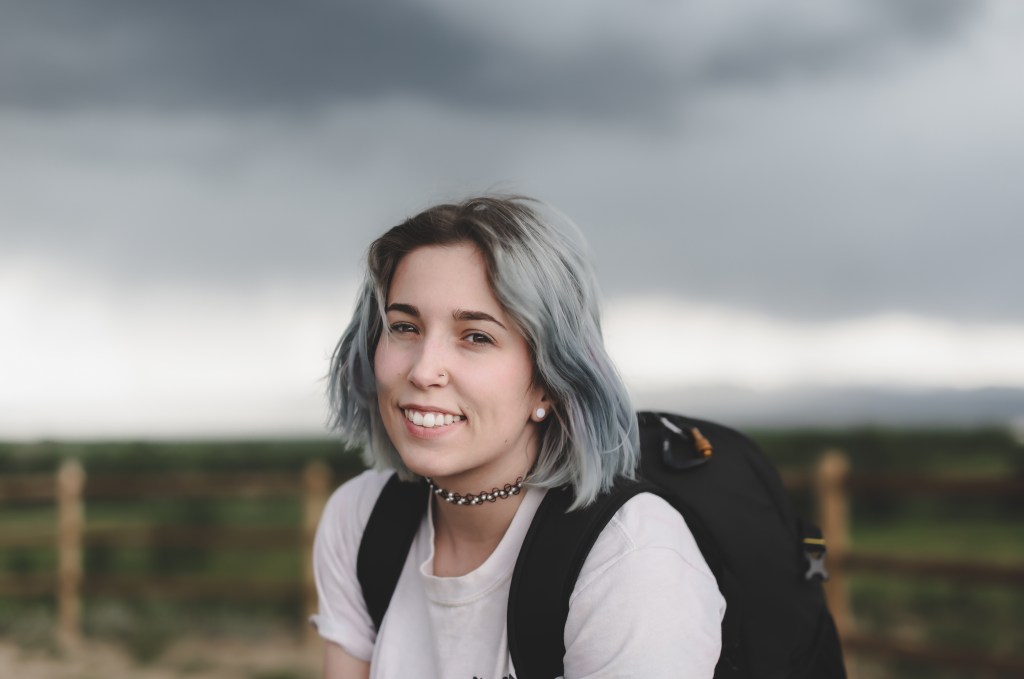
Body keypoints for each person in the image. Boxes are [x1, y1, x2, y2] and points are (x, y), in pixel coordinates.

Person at [311, 195, 725, 678]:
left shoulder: (632, 556)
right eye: (404, 327)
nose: (424, 370)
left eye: (476, 336)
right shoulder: (359, 520)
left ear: (550, 381)